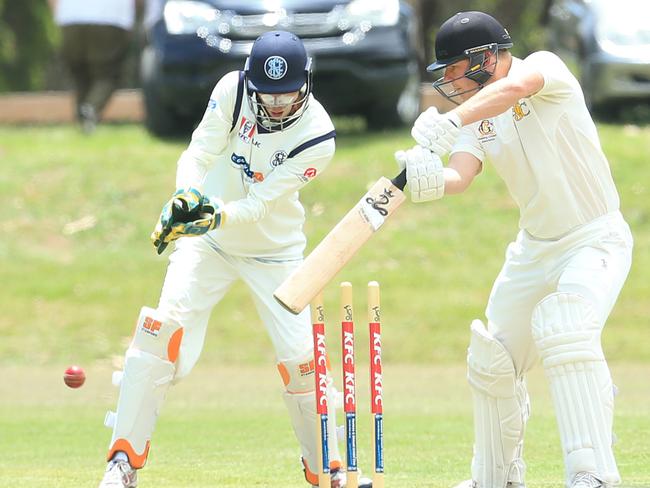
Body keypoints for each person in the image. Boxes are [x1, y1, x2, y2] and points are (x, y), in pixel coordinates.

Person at [97, 30, 371, 488]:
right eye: (268, 95)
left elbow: (261, 203)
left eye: (287, 95)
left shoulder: (318, 135)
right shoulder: (233, 89)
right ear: (251, 83)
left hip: (275, 252)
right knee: (160, 333)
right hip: (208, 244)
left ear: (306, 83)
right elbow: (200, 150)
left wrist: (211, 214)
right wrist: (185, 197)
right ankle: (121, 464)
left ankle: (330, 471)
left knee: (303, 360)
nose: (277, 105)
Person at [395, 11, 633, 488]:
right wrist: (427, 182)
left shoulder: (543, 68)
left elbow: (515, 90)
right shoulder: (475, 113)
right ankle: (496, 478)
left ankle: (593, 475)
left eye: (456, 70)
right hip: (534, 248)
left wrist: (451, 118)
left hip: (594, 238)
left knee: (567, 329)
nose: (452, 83)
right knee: (493, 355)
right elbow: (461, 176)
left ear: (485, 58)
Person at [51, 0, 135, 133]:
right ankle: (91, 109)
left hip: (70, 16)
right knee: (107, 75)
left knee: (79, 74)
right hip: (110, 17)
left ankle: (83, 119)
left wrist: (57, 13)